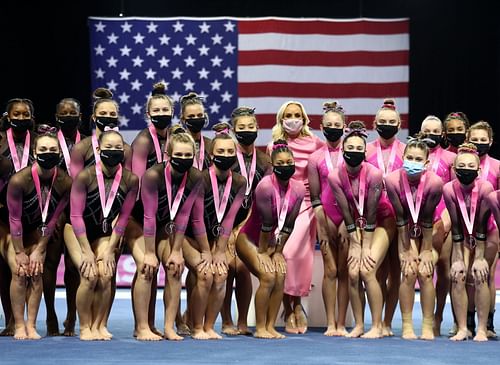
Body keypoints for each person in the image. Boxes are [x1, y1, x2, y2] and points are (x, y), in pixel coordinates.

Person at [64, 130, 138, 340]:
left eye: (118, 148)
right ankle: (85, 326)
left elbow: (123, 218)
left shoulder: (131, 180)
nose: (113, 151)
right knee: (89, 275)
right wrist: (87, 251)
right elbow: (76, 215)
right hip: (77, 230)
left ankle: (100, 324)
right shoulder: (84, 176)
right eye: (109, 148)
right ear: (98, 150)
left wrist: (111, 250)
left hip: (106, 232)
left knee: (106, 273)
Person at [1, 129, 71, 339]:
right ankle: (19, 325)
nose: (48, 153)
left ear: (59, 152)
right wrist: (20, 252)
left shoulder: (65, 182)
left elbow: (52, 218)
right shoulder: (19, 181)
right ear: (34, 152)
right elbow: (14, 220)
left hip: (35, 229)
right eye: (43, 149)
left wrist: (40, 249)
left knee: (36, 269)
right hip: (7, 227)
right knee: (19, 269)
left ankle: (31, 325)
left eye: (52, 149)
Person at [328, 120, 395, 338]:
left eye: (359, 149)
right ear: (343, 150)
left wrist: (364, 247)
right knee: (353, 272)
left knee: (367, 269)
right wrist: (355, 244)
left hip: (383, 221)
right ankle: (358, 324)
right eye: (350, 148)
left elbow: (373, 213)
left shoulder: (374, 174)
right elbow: (347, 213)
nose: (354, 152)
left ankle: (376, 325)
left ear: (365, 152)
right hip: (356, 223)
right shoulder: (334, 176)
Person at [137, 126, 204, 341]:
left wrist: (176, 251)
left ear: (194, 156)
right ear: (168, 155)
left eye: (187, 156)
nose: (183, 159)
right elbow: (148, 217)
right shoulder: (153, 175)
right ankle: (142, 327)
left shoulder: (196, 177)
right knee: (146, 268)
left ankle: (168, 327)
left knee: (175, 267)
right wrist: (149, 253)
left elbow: (183, 216)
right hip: (140, 225)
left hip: (168, 227)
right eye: (178, 155)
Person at [183, 122, 246, 339]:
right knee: (205, 272)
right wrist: (206, 251)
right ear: (211, 154)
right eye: (221, 151)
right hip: (188, 235)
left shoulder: (239, 182)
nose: (226, 155)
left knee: (222, 273)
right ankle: (196, 327)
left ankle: (210, 326)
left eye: (230, 151)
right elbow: (197, 218)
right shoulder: (199, 178)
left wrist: (220, 250)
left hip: (213, 237)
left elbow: (228, 220)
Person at [266, 100, 324, 334]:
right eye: (288, 115)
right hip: (282, 202)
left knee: (293, 253)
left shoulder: (316, 143)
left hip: (307, 204)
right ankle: (288, 309)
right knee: (281, 252)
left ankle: (297, 305)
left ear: (304, 118)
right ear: (281, 119)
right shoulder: (274, 145)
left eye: (297, 115)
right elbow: (272, 178)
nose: (293, 119)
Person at [236, 139, 304, 339]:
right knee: (268, 277)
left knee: (280, 275)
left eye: (288, 162)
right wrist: (264, 253)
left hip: (271, 241)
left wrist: (279, 252)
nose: (285, 166)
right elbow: (266, 225)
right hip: (249, 239)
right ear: (273, 167)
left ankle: (271, 325)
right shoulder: (265, 187)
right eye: (280, 164)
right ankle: (260, 328)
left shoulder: (299, 189)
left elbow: (288, 225)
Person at [128, 82, 174, 339]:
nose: (161, 113)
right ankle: (141, 326)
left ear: (172, 110)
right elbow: (137, 183)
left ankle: (153, 323)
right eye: (156, 110)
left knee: (161, 266)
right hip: (139, 213)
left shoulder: (174, 137)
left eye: (165, 109)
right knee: (146, 266)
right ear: (148, 114)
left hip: (163, 215)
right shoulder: (143, 141)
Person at [385, 138, 443, 340]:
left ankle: (427, 326)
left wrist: (426, 250)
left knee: (426, 272)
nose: (413, 161)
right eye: (409, 157)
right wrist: (407, 249)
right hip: (405, 230)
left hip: (431, 229)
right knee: (408, 272)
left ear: (426, 163)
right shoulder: (391, 180)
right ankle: (407, 325)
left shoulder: (435, 182)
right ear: (403, 158)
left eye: (418, 159)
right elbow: (400, 218)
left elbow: (427, 218)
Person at [221, 106, 271, 336]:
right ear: (233, 130)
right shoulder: (227, 158)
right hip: (223, 220)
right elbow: (218, 196)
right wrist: (228, 230)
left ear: (258, 129)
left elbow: (267, 197)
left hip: (250, 223)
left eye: (251, 127)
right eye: (242, 128)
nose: (247, 131)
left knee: (242, 268)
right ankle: (225, 320)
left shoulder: (264, 160)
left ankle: (242, 321)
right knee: (226, 267)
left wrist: (244, 227)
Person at [444, 143, 495, 341]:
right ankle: (463, 327)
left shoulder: (486, 187)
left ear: (479, 170)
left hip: (487, 234)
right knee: (458, 274)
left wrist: (480, 257)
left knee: (480, 274)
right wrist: (457, 257)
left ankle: (482, 328)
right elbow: (456, 227)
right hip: (463, 236)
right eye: (461, 166)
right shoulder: (448, 189)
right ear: (454, 169)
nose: (466, 169)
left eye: (470, 166)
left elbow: (482, 226)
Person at [307, 100, 349, 336]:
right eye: (329, 124)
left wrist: (348, 222)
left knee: (344, 271)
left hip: (347, 219)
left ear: (344, 127)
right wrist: (322, 223)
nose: (333, 128)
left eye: (337, 124)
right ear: (321, 126)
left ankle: (341, 323)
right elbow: (315, 196)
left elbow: (356, 192)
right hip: (325, 218)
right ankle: (330, 322)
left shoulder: (351, 153)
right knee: (330, 271)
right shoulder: (315, 158)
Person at [43, 98, 84, 336]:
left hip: (79, 211)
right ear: (56, 115)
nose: (68, 115)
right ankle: (50, 315)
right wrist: (52, 214)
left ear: (80, 116)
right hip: (51, 209)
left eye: (72, 112)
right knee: (49, 262)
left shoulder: (88, 142)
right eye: (63, 112)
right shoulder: (47, 143)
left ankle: (71, 315)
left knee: (72, 266)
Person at [365, 98, 405, 336]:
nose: (387, 125)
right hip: (376, 218)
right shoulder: (367, 150)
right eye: (383, 122)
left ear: (399, 124)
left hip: (401, 218)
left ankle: (388, 323)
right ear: (375, 124)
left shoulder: (407, 151)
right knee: (377, 271)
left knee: (395, 272)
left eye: (392, 121)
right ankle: (376, 322)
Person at [0, 98, 37, 336]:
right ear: (8, 116)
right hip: (3, 216)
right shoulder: (1, 141)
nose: (21, 118)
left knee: (32, 268)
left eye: (26, 114)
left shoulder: (40, 143)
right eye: (17, 114)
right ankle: (12, 321)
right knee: (8, 268)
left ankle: (28, 323)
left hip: (32, 215)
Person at [419, 115, 457, 336]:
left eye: (435, 131)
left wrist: (449, 219)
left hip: (444, 217)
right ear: (420, 131)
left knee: (443, 271)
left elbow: (454, 191)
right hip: (420, 219)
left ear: (442, 134)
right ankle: (422, 319)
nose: (430, 135)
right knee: (422, 270)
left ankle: (438, 317)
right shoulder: (413, 153)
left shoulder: (451, 158)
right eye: (426, 131)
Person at [466, 121, 500, 338]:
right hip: (466, 226)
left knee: (485, 275)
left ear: (490, 141)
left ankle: (487, 323)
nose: (478, 144)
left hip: (490, 228)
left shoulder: (497, 166)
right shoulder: (461, 164)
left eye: (482, 140)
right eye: (474, 140)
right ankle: (467, 322)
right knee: (467, 275)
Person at [70, 87, 132, 178]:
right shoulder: (81, 148)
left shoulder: (126, 150)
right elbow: (75, 184)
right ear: (94, 118)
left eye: (112, 114)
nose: (108, 117)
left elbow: (129, 181)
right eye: (103, 113)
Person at [179, 92, 212, 171]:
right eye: (191, 116)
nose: (196, 119)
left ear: (205, 116)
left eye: (200, 115)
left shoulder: (211, 145)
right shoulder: (175, 144)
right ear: (183, 119)